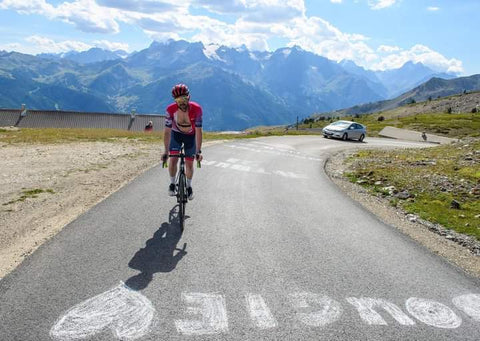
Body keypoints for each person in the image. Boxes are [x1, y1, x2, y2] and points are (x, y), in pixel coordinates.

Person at [162, 84, 203, 200]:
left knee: (189, 163)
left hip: (191, 136)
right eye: (178, 100)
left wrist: (198, 151)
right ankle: (172, 183)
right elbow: (167, 131)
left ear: (188, 97)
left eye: (184, 99)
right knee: (173, 159)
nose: (181, 102)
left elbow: (199, 131)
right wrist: (165, 151)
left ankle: (189, 187)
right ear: (175, 100)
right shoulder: (170, 110)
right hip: (176, 134)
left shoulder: (197, 109)